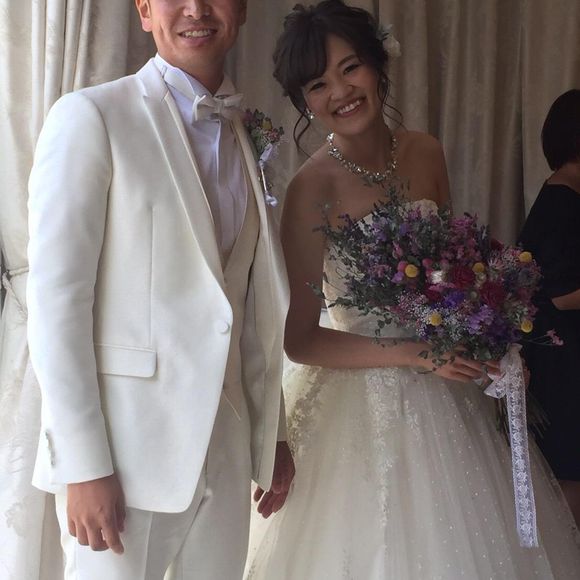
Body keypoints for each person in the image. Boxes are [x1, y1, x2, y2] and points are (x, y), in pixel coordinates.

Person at [246, 2, 580, 578]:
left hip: (449, 391)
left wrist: (492, 344)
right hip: (360, 405)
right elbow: (300, 339)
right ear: (304, 101)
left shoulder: (426, 151)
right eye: (318, 85)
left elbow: (450, 276)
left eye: (350, 68)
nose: (340, 92)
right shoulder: (309, 190)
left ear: (379, 63)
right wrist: (417, 353)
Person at [26, 0, 294, 578]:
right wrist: (83, 464)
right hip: (124, 459)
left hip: (227, 447)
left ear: (242, 9)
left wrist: (272, 432)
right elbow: (56, 303)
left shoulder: (248, 134)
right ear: (145, 9)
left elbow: (248, 304)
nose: (196, 9)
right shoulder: (92, 116)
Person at [519, 89, 580, 527]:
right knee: (570, 470)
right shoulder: (562, 200)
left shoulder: (566, 193)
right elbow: (559, 292)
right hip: (561, 359)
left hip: (563, 352)